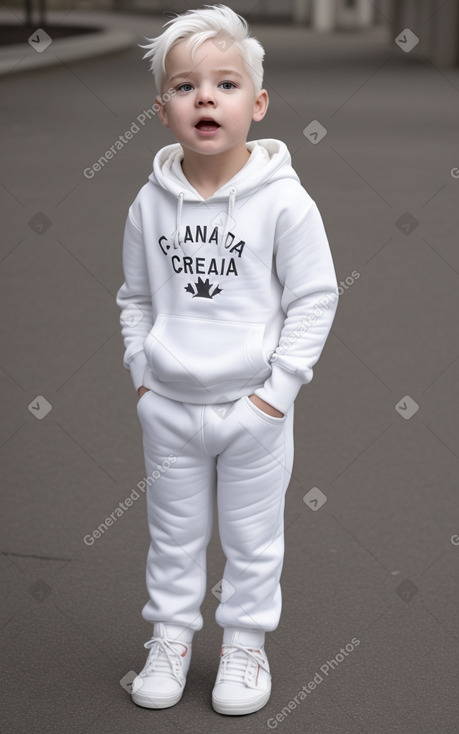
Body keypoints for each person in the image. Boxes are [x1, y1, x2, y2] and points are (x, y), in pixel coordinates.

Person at [116, 3, 338, 716]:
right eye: (184, 87)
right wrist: (144, 380)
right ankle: (170, 640)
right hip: (170, 409)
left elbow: (313, 300)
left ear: (258, 103)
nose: (204, 97)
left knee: (252, 540)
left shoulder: (286, 204)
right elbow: (134, 298)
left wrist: (274, 396)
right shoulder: (147, 207)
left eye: (224, 83)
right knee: (172, 539)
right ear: (162, 110)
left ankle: (244, 643)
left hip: (253, 412)